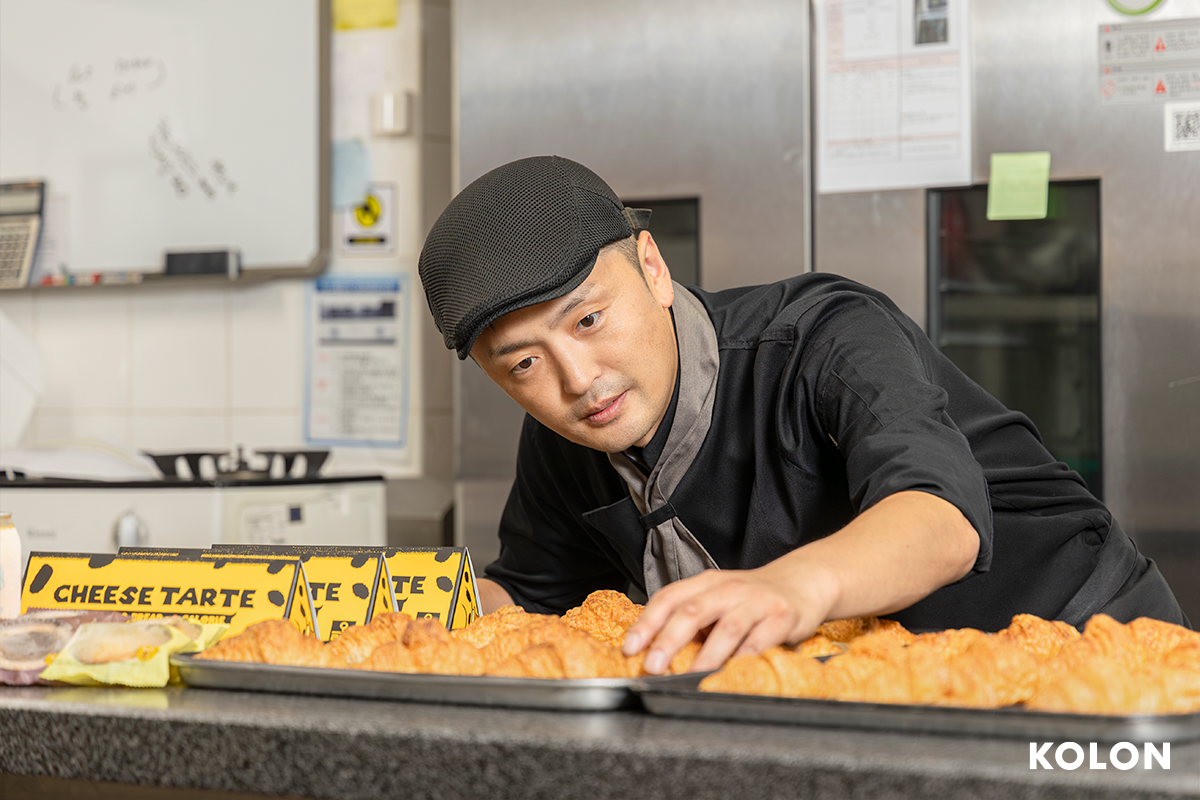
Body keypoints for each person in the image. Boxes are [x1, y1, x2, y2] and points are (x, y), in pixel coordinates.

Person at [417, 155, 1188, 675]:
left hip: (1083, 643)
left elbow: (940, 517)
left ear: (652, 268)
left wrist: (790, 588)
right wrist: (407, 608)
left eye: (589, 320)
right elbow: (534, 599)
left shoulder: (823, 337)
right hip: (875, 685)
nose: (578, 380)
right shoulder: (567, 432)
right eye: (522, 363)